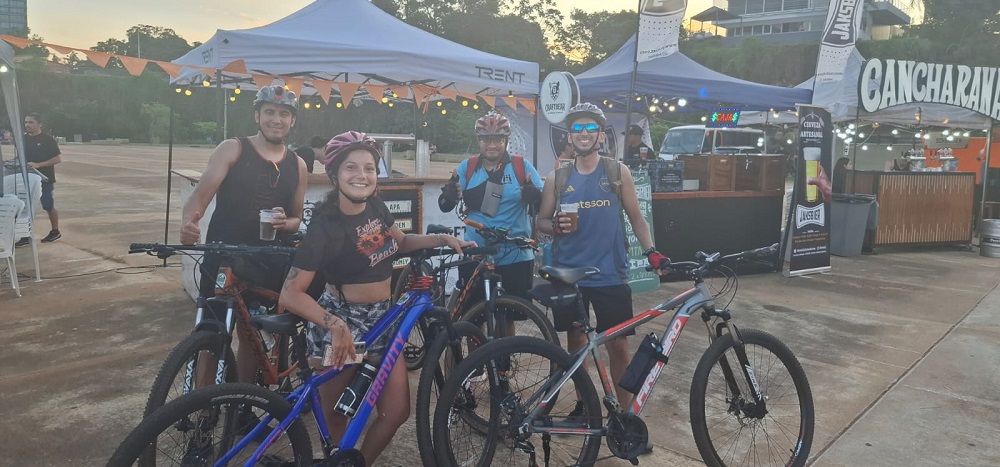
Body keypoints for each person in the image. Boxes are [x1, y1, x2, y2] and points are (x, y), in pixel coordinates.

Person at [279, 131, 472, 465]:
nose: (362, 175)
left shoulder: (376, 207)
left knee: (396, 412)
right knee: (338, 417)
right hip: (344, 322)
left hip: (383, 318)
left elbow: (401, 242)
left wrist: (441, 239)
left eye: (369, 168)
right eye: (351, 167)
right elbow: (290, 294)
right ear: (335, 174)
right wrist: (335, 325)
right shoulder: (325, 227)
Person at [537, 103, 668, 409]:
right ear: (569, 136)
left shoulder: (616, 172)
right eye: (577, 128)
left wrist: (651, 251)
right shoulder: (557, 177)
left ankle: (626, 414)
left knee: (618, 346)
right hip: (569, 274)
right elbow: (541, 222)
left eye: (590, 128)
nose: (583, 133)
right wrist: (553, 225)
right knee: (577, 346)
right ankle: (585, 406)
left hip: (610, 274)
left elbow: (636, 218)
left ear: (600, 135)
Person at [179, 84, 308, 383]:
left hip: (266, 261)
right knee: (211, 332)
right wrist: (188, 223)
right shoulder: (232, 149)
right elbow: (199, 197)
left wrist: (284, 222)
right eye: (269, 112)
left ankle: (244, 399)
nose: (276, 119)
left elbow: (296, 218)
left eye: (284, 114)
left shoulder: (297, 165)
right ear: (257, 116)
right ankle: (202, 402)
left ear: (292, 121)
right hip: (222, 256)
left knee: (252, 336)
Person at [438, 111, 544, 311]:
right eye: (486, 139)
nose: (492, 145)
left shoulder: (521, 166)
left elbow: (544, 207)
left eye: (498, 139)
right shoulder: (468, 167)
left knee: (510, 317)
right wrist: (449, 194)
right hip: (476, 252)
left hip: (515, 253)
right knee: (473, 318)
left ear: (506, 141)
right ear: (479, 141)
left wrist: (535, 197)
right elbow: (445, 206)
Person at [21, 112, 62, 245]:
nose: (27, 125)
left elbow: (57, 159)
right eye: (26, 122)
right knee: (25, 206)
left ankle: (55, 231)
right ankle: (25, 234)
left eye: (31, 122)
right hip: (27, 178)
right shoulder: (23, 139)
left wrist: (38, 165)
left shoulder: (48, 140)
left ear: (40, 124)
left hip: (44, 179)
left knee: (48, 204)